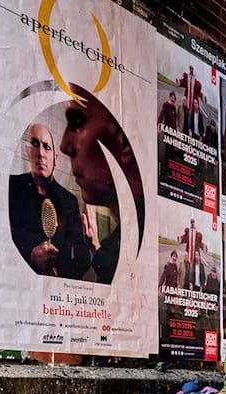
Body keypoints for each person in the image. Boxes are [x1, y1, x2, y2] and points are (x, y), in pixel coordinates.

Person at [60, 86, 145, 284]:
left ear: (124, 143)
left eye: (78, 122)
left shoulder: (139, 237)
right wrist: (96, 247)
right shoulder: (126, 238)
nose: (64, 145)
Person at [9, 123, 89, 279]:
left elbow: (82, 258)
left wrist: (60, 274)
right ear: (27, 152)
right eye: (34, 144)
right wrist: (30, 257)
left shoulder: (69, 201)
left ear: (55, 158)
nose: (41, 153)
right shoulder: (10, 188)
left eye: (47, 147)